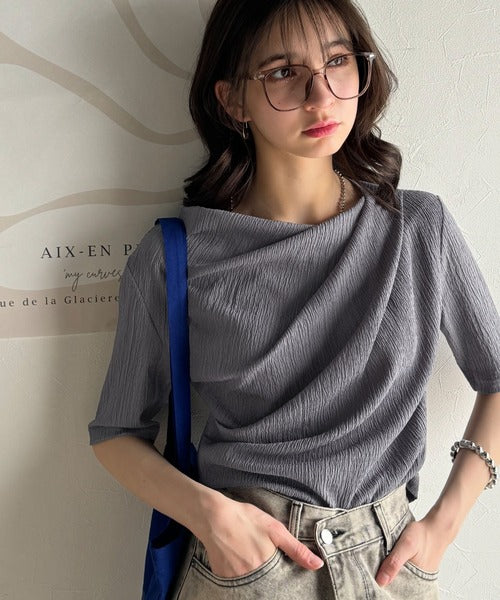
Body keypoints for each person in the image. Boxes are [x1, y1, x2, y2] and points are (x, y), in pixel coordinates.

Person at [88, 0, 500, 598]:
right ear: (232, 99)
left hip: (391, 561)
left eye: (338, 62)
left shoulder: (417, 230)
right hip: (249, 561)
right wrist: (213, 517)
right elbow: (116, 432)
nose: (320, 95)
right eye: (283, 72)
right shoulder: (176, 256)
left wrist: (444, 524)